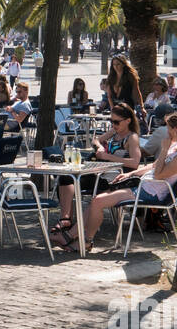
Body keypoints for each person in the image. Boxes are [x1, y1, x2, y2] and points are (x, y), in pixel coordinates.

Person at [55, 112, 177, 253]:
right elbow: (153, 166)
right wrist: (130, 174)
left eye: (168, 128)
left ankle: (85, 242)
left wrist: (163, 149)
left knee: (98, 201)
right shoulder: (174, 148)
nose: (166, 131)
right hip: (142, 185)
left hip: (150, 192)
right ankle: (71, 235)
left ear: (175, 130)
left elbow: (158, 174)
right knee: (98, 199)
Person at [51, 102, 142, 238]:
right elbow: (96, 140)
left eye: (116, 122)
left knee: (77, 182)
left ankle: (73, 231)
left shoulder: (131, 137)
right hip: (101, 172)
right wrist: (99, 146)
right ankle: (66, 219)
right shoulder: (114, 132)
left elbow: (135, 163)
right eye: (111, 121)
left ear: (128, 121)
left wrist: (107, 156)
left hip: (115, 178)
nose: (113, 125)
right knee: (66, 178)